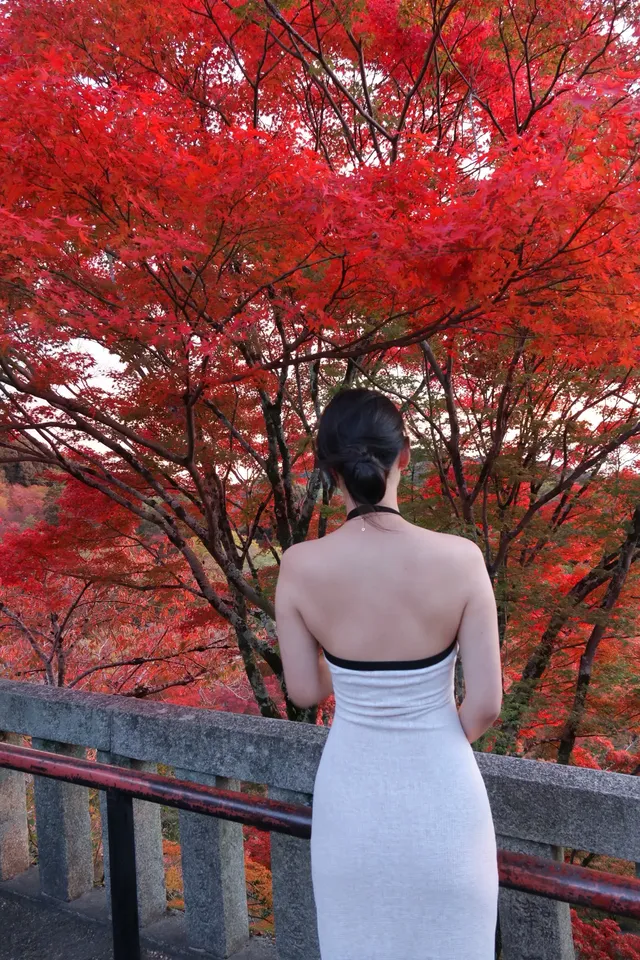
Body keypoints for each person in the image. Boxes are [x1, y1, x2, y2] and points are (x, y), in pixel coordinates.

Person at [275, 387, 502, 960]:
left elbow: (304, 691)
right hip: (445, 797)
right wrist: (431, 735)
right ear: (404, 457)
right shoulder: (461, 558)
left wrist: (348, 655)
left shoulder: (301, 566)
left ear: (330, 470)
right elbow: (485, 706)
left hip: (352, 798)